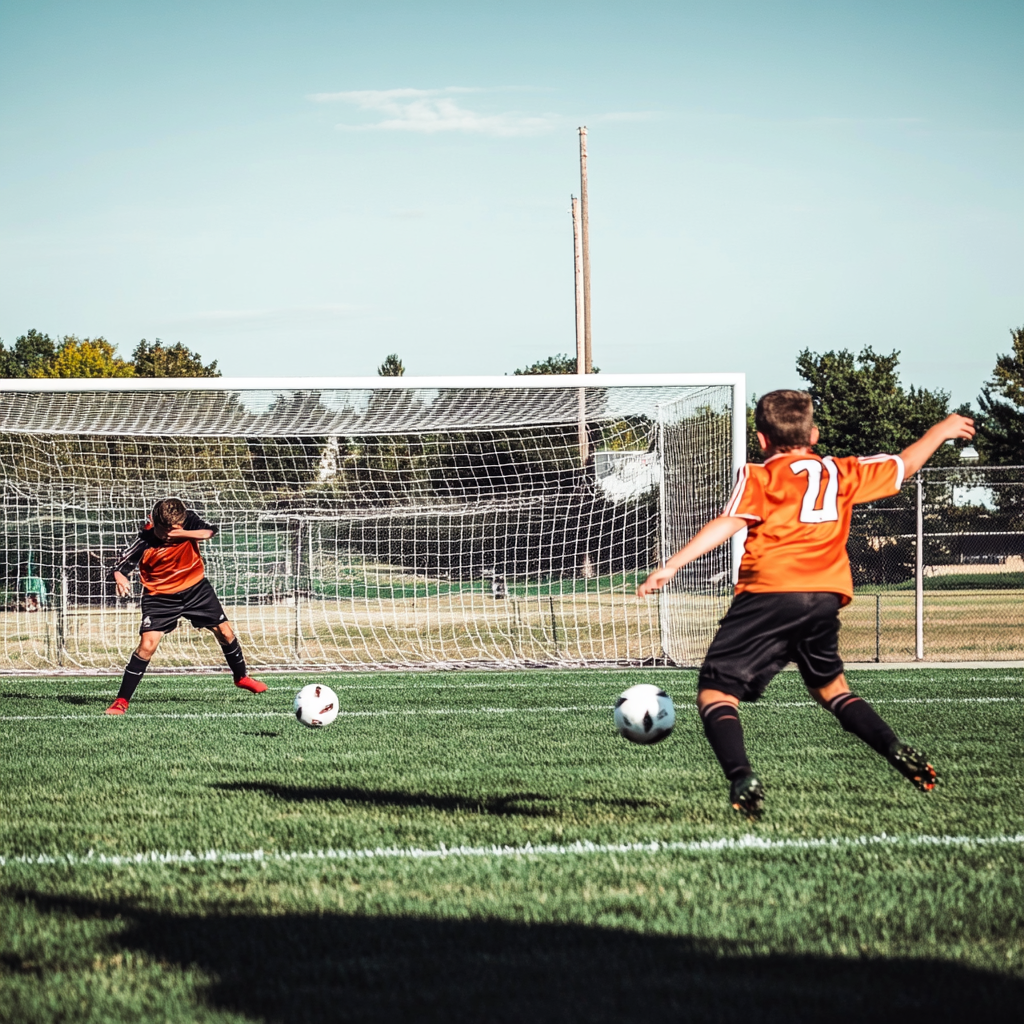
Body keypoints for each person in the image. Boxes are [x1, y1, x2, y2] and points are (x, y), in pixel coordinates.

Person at [637, 390, 975, 818]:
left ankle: (742, 776)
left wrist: (672, 565)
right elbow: (905, 466)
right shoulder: (842, 472)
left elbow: (729, 521)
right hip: (824, 597)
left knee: (716, 693)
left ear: (761, 440)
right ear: (813, 434)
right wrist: (941, 430)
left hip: (770, 591)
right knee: (832, 690)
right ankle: (893, 747)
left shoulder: (760, 476)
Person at [104, 498, 266, 714]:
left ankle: (241, 677)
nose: (170, 535)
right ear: (154, 521)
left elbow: (209, 532)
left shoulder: (188, 520)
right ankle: (121, 701)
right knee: (147, 645)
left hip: (196, 588)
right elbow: (119, 566)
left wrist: (177, 533)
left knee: (225, 632)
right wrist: (119, 577)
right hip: (160, 597)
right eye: (166, 531)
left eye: (175, 529)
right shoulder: (145, 540)